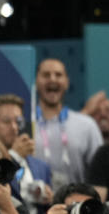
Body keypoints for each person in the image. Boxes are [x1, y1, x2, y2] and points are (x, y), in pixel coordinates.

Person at [33, 58, 104, 188]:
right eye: (46, 75)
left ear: (66, 82)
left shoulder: (87, 125)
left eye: (58, 75)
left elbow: (100, 173)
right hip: (31, 206)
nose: (52, 79)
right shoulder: (23, 124)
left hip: (76, 205)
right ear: (36, 81)